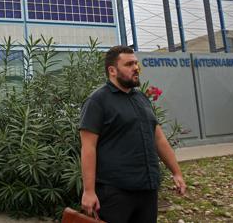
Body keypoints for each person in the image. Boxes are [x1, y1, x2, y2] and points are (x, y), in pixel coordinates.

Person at [80, 46, 186, 223]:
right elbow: (88, 148)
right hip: (115, 192)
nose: (136, 68)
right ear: (112, 71)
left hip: (147, 189)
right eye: (129, 64)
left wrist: (176, 172)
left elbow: (158, 139)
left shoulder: (141, 99)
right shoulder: (97, 101)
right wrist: (89, 191)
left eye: (136, 63)